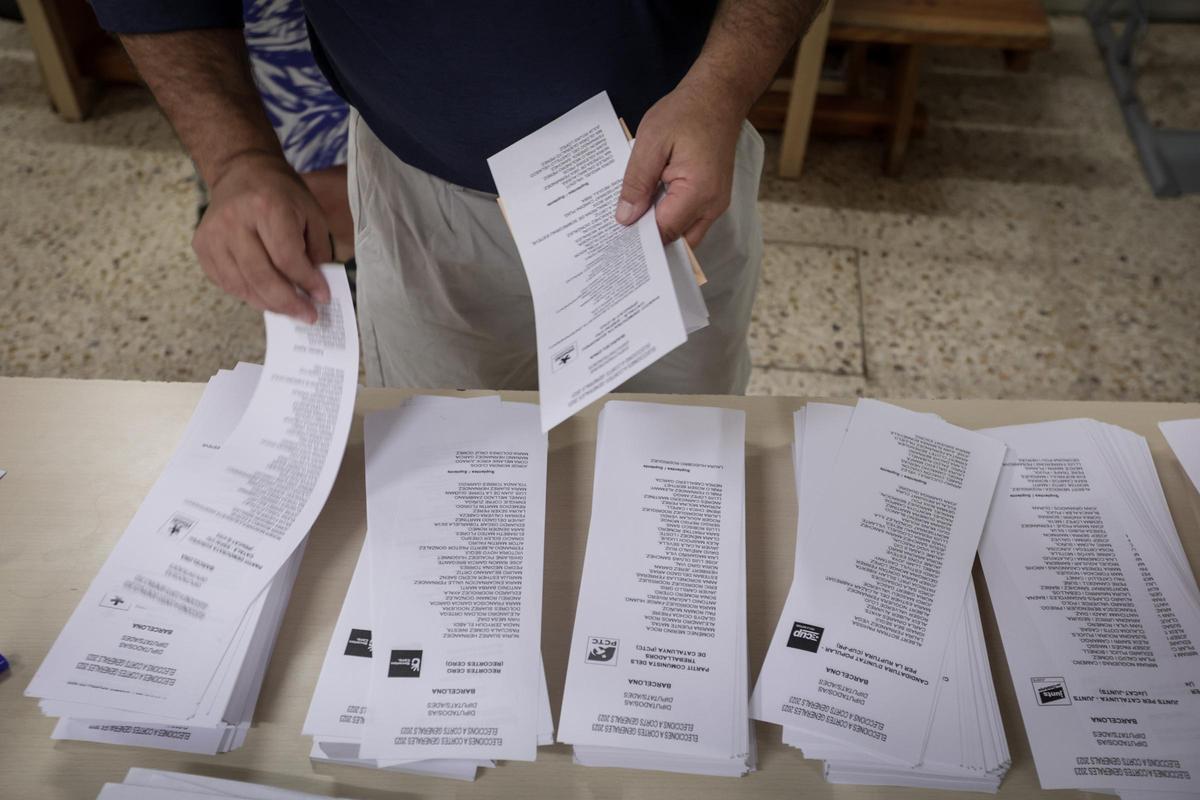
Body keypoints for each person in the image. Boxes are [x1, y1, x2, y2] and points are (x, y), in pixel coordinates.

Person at [90, 1, 823, 392]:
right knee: (447, 465)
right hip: (417, 188)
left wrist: (725, 85)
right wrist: (238, 157)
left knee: (676, 460)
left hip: (662, 177)